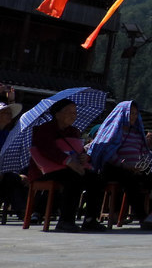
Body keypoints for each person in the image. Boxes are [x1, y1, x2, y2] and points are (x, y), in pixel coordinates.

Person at [28, 98, 106, 232]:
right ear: (57, 114)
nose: (73, 115)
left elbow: (78, 150)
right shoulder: (44, 129)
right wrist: (68, 161)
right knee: (73, 178)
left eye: (75, 112)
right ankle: (65, 220)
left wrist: (83, 157)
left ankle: (90, 220)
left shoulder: (73, 131)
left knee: (96, 179)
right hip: (46, 170)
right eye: (69, 112)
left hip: (70, 167)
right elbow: (47, 150)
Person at [88, 100, 152, 229]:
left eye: (136, 114)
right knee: (130, 179)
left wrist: (144, 165)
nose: (134, 116)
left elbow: (145, 152)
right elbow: (107, 152)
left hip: (136, 168)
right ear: (122, 114)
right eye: (131, 113)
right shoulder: (113, 131)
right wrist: (125, 165)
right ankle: (142, 217)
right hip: (115, 168)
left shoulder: (136, 133)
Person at [0, 99, 28, 217]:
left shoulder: (8, 134)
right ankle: (22, 210)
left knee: (23, 177)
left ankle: (26, 209)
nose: (10, 115)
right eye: (6, 112)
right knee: (12, 178)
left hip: (6, 170)